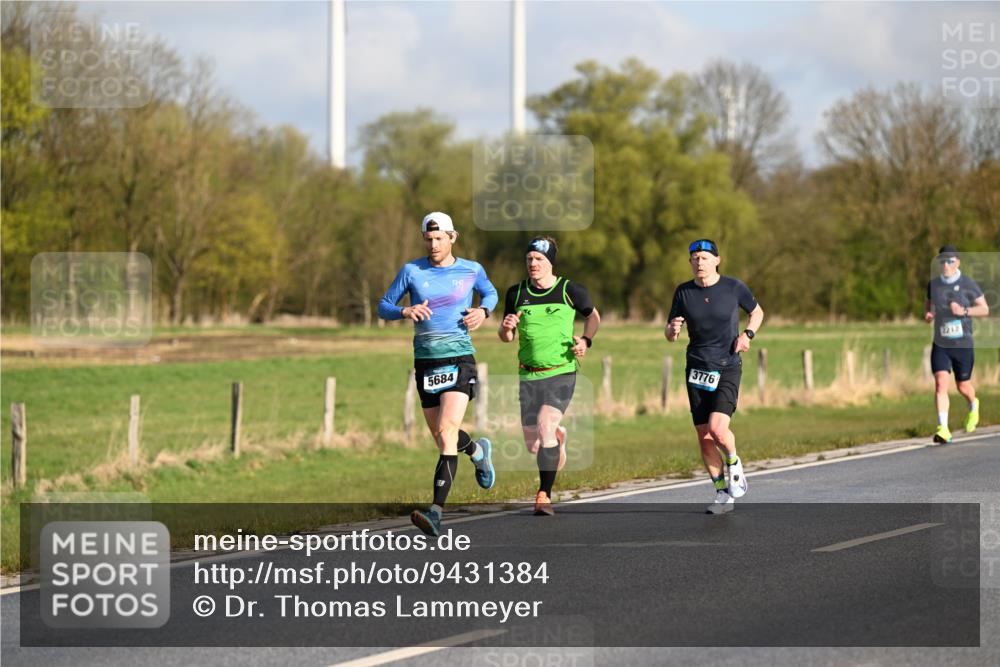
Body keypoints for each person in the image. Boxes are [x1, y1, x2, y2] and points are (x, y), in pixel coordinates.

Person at [378, 212, 499, 537]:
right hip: (426, 362)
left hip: (459, 358)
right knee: (441, 435)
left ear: (452, 237)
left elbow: (491, 293)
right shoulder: (412, 271)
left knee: (447, 431)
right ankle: (477, 451)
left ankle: (435, 512)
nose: (433, 244)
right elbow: (384, 305)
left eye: (439, 238)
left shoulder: (471, 269)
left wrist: (483, 311)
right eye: (429, 239)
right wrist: (405, 310)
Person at [499, 237, 600, 516]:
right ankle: (558, 439)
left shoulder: (570, 290)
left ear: (550, 262)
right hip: (528, 375)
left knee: (545, 425)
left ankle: (544, 495)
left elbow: (594, 317)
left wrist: (585, 341)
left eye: (539, 259)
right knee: (533, 444)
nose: (533, 264)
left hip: (561, 372)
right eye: (529, 259)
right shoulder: (516, 293)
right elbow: (506, 336)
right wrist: (506, 328)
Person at [666, 239, 764, 514]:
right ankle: (722, 493)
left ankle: (733, 462)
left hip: (727, 365)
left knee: (718, 429)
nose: (700, 262)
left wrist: (747, 335)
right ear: (690, 263)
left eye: (705, 258)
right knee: (703, 435)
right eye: (695, 258)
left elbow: (757, 312)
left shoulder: (733, 287)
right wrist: (672, 330)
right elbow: (670, 332)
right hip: (696, 367)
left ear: (717, 261)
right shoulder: (683, 292)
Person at [925, 245, 989, 443]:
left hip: (962, 344)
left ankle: (973, 404)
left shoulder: (968, 284)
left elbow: (984, 309)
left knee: (963, 386)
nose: (946, 265)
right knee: (940, 384)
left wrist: (964, 311)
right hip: (941, 344)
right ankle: (943, 429)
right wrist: (929, 314)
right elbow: (928, 305)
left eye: (950, 261)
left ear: (957, 263)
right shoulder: (933, 285)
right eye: (942, 261)